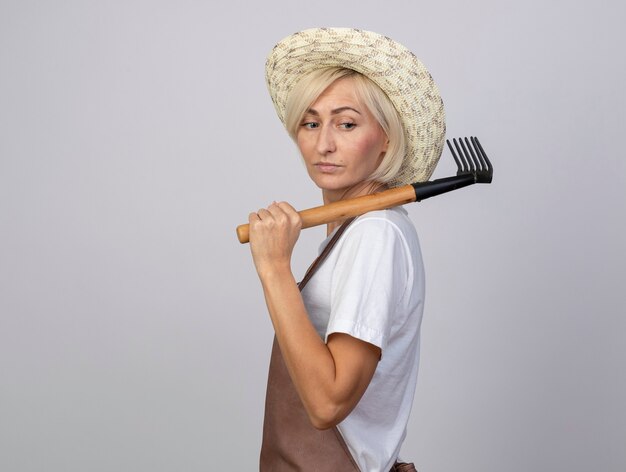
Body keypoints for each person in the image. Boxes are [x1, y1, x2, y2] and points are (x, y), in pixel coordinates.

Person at [247, 28, 446, 472]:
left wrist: (275, 268)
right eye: (311, 123)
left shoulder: (375, 235)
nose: (324, 144)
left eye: (348, 123)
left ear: (387, 138)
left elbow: (327, 403)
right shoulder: (349, 233)